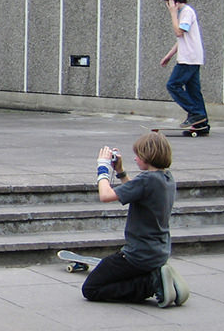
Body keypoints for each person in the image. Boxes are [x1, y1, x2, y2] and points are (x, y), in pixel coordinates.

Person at [81, 132, 189, 307]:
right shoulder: (166, 178)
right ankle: (156, 276)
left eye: (138, 155)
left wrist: (103, 168)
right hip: (159, 252)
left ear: (148, 156)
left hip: (138, 255)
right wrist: (120, 172)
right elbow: (137, 190)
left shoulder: (146, 180)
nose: (135, 158)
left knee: (92, 288)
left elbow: (105, 195)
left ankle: (151, 283)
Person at [159, 0, 208, 131]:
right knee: (194, 90)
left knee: (173, 85)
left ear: (172, 2)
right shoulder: (183, 13)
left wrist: (173, 14)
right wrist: (169, 56)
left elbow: (179, 32)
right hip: (191, 56)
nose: (167, 6)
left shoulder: (186, 12)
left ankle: (196, 113)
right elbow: (182, 40)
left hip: (189, 58)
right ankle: (202, 123)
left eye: (168, 2)